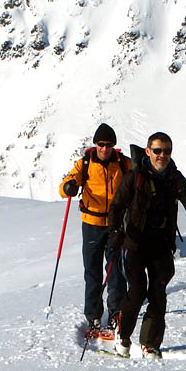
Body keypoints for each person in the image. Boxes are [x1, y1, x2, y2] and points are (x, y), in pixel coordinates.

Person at [107, 131, 186, 359]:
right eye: (157, 151)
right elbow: (116, 208)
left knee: (158, 293)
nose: (162, 155)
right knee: (137, 291)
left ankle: (150, 344)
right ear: (148, 152)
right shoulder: (134, 177)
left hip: (161, 244)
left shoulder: (175, 179)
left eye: (166, 151)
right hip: (134, 244)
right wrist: (116, 232)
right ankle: (123, 333)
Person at [59, 123, 130, 332]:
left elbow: (139, 177)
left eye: (108, 145)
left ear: (113, 146)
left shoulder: (124, 164)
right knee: (92, 271)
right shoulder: (85, 164)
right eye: (101, 144)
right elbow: (67, 184)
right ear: (95, 144)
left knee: (116, 270)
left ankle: (116, 313)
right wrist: (68, 187)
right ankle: (93, 315)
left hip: (116, 224)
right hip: (91, 224)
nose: (104, 149)